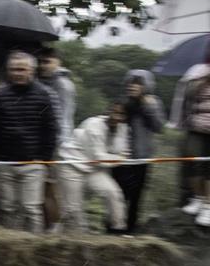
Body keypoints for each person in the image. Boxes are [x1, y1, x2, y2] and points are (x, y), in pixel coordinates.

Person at [0, 52, 59, 234]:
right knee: (8, 207)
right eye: (13, 70)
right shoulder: (0, 96)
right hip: (5, 163)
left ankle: (33, 245)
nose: (17, 73)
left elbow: (51, 130)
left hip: (33, 163)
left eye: (22, 69)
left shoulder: (43, 95)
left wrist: (44, 160)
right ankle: (11, 244)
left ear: (31, 71)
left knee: (31, 208)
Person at [58, 102, 128, 233]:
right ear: (108, 112)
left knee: (113, 193)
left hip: (94, 169)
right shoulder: (93, 125)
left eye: (121, 114)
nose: (117, 117)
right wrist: (119, 158)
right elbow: (98, 156)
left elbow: (122, 150)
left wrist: (119, 156)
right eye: (115, 113)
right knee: (72, 209)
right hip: (72, 165)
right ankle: (78, 237)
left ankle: (118, 230)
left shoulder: (123, 128)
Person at [111, 70, 165, 234]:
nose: (133, 86)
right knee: (118, 194)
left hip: (142, 158)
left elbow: (159, 127)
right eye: (131, 83)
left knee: (136, 197)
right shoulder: (123, 103)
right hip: (121, 157)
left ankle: (130, 230)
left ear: (146, 86)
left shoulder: (153, 103)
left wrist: (147, 106)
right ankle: (113, 227)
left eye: (137, 83)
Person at [38, 46, 77, 233]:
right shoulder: (45, 82)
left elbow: (62, 117)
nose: (43, 66)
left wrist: (56, 145)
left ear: (57, 62)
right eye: (41, 62)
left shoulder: (62, 84)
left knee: (51, 189)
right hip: (46, 141)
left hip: (57, 144)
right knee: (45, 188)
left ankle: (55, 228)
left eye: (47, 62)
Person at [174, 59, 210, 227]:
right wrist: (205, 79)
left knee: (208, 169)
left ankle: (208, 206)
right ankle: (199, 198)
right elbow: (186, 95)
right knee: (193, 164)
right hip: (195, 126)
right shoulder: (198, 70)